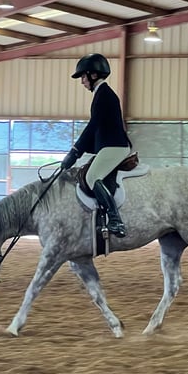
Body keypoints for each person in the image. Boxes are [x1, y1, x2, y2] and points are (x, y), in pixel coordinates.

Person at [61, 53, 130, 238]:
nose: (82, 81)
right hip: (108, 145)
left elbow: (93, 126)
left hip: (115, 146)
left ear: (93, 75)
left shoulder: (104, 95)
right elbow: (100, 129)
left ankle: (115, 219)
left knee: (92, 177)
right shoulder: (101, 94)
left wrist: (75, 152)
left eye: (83, 77)